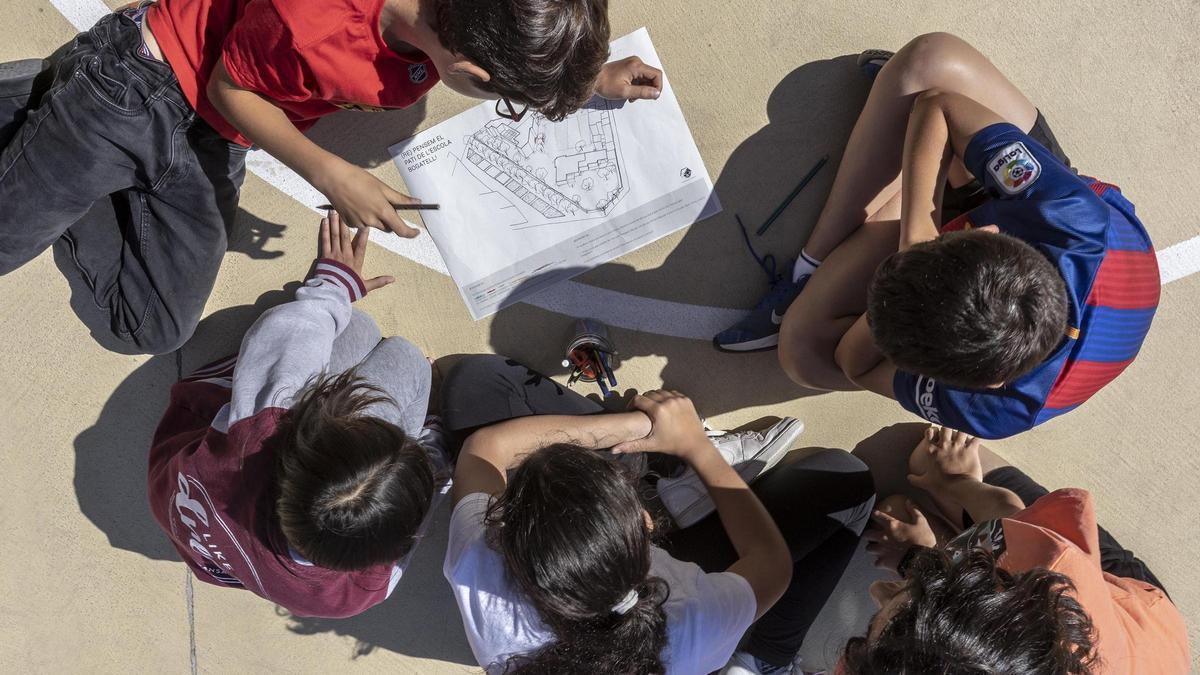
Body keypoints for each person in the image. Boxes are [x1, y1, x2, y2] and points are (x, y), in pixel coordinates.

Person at [0, 0, 662, 354]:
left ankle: (51, 122)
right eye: (512, 99)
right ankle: (67, 99)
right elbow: (232, 89)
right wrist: (333, 174)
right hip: (149, 82)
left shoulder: (473, 19)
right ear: (473, 71)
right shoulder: (315, 20)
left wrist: (586, 78)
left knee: (153, 326)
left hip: (216, 133)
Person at [714, 33, 1159, 439]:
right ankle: (814, 263)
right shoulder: (1072, 221)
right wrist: (915, 233)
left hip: (1011, 257)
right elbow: (939, 103)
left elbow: (855, 364)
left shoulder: (995, 410)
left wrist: (899, 289)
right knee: (929, 62)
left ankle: (920, 156)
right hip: (1057, 219)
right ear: (985, 232)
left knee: (802, 354)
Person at [440, 355, 876, 674]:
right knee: (847, 480)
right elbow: (771, 564)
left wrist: (634, 428)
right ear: (647, 523)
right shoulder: (696, 621)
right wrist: (692, 445)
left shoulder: (481, 568)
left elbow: (484, 448)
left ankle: (654, 462)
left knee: (472, 383)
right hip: (678, 595)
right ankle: (765, 660)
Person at [148, 211, 449, 618]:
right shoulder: (354, 595)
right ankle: (409, 408)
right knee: (397, 354)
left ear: (303, 451)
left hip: (189, 456)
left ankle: (404, 414)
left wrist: (333, 285)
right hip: (181, 509)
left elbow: (282, 337)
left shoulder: (259, 432)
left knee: (361, 332)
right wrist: (436, 447)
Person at [844, 426, 1189, 673]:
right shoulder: (1053, 571)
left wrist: (916, 564)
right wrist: (956, 481)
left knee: (878, 481)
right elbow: (1004, 506)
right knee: (912, 457)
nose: (875, 589)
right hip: (1131, 617)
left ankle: (939, 557)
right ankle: (949, 531)